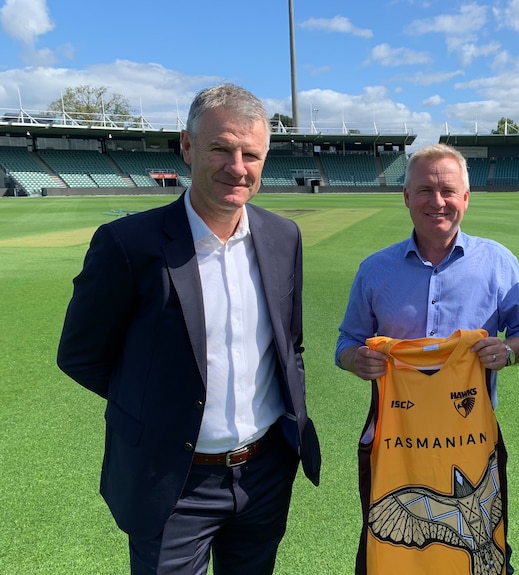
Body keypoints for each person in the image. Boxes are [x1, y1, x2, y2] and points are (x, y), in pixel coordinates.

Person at [57, 84, 321, 575]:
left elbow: (290, 344)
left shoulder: (283, 237)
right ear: (187, 146)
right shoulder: (127, 244)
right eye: (221, 148)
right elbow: (80, 355)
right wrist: (158, 408)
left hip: (264, 473)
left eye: (251, 154)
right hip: (171, 481)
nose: (236, 167)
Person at [336, 143, 519, 573]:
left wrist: (508, 351)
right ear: (406, 197)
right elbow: (347, 343)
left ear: (465, 197)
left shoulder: (498, 262)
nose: (438, 201)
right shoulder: (375, 270)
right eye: (425, 190)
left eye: (448, 190)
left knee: (483, 538)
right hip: (395, 439)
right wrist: (357, 360)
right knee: (384, 537)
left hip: (473, 438)